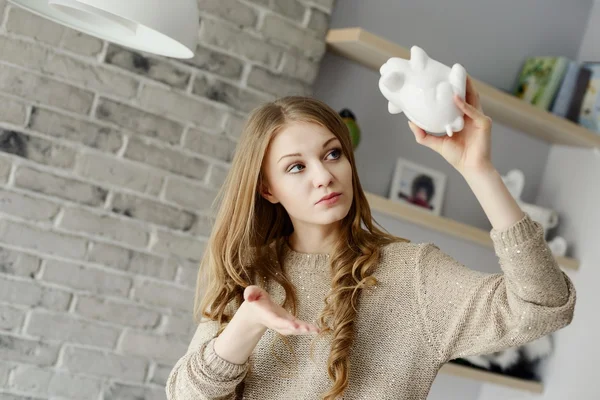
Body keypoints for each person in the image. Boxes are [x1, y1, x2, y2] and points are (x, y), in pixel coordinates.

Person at [165, 77, 576, 399]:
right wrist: (247, 324)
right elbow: (184, 396)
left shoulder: (411, 274)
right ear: (267, 190)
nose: (324, 175)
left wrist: (479, 170)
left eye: (332, 154)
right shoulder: (249, 274)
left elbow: (544, 305)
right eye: (296, 167)